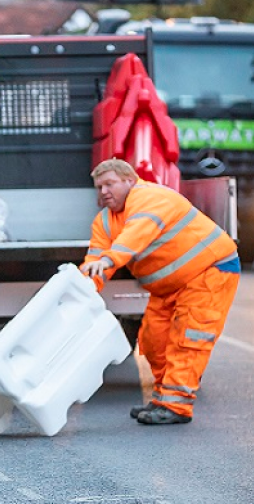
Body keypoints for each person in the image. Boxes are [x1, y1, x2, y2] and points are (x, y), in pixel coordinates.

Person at [80, 159, 240, 425]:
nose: (103, 191)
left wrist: (109, 260)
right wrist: (83, 288)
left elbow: (135, 235)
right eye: (99, 187)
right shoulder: (105, 221)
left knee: (187, 339)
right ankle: (163, 399)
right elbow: (94, 260)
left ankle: (176, 406)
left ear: (130, 180)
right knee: (154, 342)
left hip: (208, 273)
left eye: (109, 184)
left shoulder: (151, 197)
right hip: (168, 287)